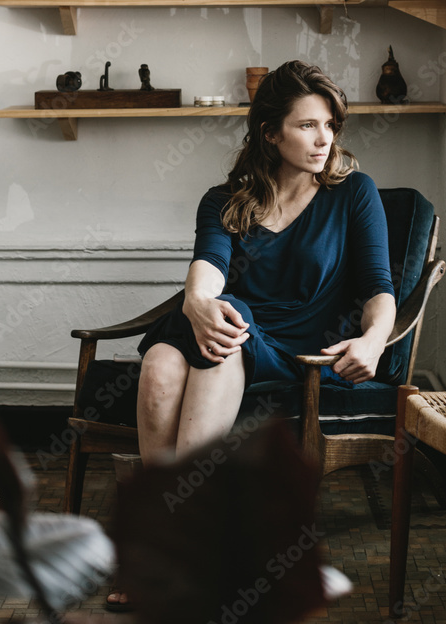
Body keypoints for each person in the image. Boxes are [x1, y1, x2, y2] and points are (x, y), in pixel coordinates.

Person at [105, 59, 397, 610]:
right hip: (224, 327)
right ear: (269, 132)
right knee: (161, 365)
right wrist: (195, 301)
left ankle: (184, 551)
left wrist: (374, 339)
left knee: (227, 320)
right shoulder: (224, 200)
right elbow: (209, 266)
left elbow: (380, 286)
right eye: (308, 125)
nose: (323, 139)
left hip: (288, 345)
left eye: (330, 125)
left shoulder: (353, 193)